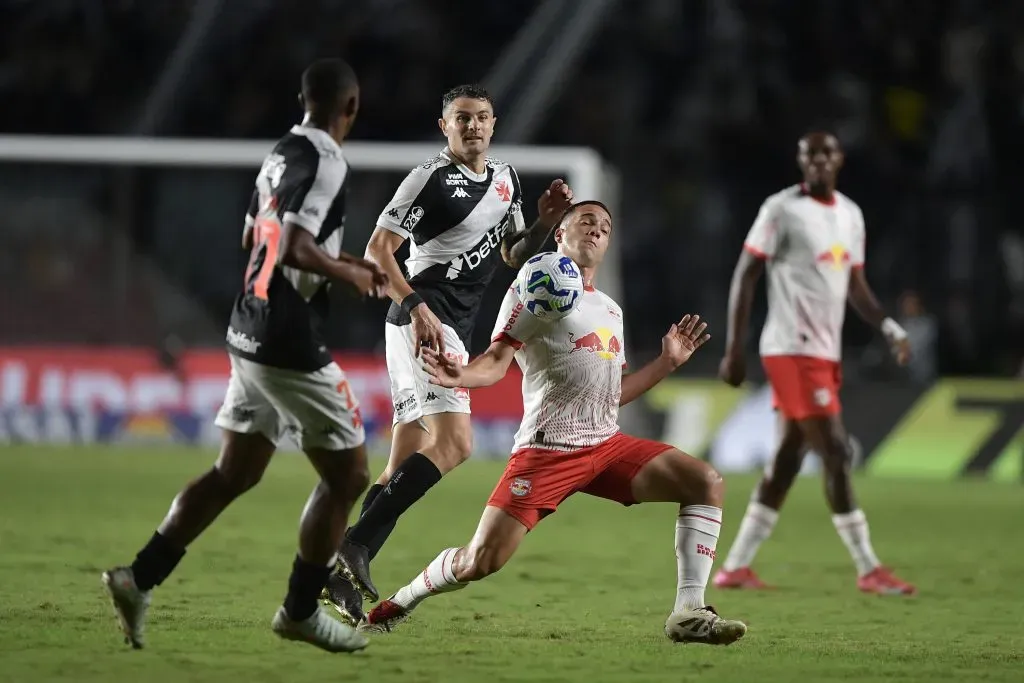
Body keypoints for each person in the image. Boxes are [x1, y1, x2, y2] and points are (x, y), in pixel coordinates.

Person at [361, 201, 747, 645]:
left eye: (605, 226)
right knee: (480, 561)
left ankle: (688, 611)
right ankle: (400, 602)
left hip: (605, 445)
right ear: (560, 235)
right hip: (547, 451)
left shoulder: (610, 310)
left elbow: (611, 395)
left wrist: (665, 362)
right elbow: (496, 360)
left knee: (705, 481)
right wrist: (458, 374)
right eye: (586, 221)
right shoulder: (536, 289)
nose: (597, 230)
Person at [101, 58, 389, 653]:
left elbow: (253, 237)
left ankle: (139, 576)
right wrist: (348, 274)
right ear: (351, 107)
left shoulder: (280, 152)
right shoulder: (330, 161)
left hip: (247, 327)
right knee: (350, 476)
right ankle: (301, 609)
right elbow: (295, 248)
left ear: (302, 99)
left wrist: (342, 265)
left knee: (235, 471)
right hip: (287, 340)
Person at [323, 84, 573, 623]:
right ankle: (354, 547)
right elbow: (377, 251)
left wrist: (546, 224)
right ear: (445, 127)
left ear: (494, 122)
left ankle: (338, 578)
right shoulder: (429, 179)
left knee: (401, 463)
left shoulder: (505, 179)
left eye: (481, 118)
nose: (473, 127)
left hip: (436, 322)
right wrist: (418, 311)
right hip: (425, 320)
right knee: (455, 444)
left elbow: (511, 254)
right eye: (462, 119)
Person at [714, 132, 916, 595]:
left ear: (839, 159)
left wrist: (889, 327)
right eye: (810, 155)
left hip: (824, 352)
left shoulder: (850, 214)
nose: (819, 162)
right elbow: (745, 275)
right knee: (838, 452)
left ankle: (735, 568)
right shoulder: (781, 210)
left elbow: (855, 284)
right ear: (801, 161)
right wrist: (734, 348)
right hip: (790, 347)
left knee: (786, 461)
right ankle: (869, 568)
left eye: (827, 154)